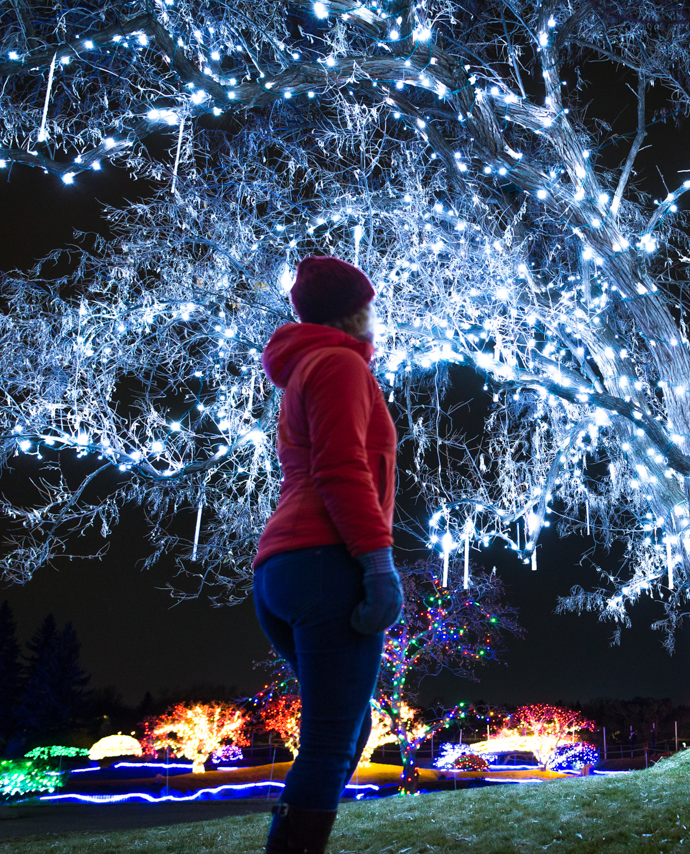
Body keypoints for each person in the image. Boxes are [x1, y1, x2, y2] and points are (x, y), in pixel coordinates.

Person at [253, 256, 403, 854]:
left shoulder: (306, 368)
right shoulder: (338, 364)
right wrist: (378, 565)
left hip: (284, 569)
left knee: (347, 727)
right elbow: (341, 471)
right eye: (371, 305)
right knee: (329, 738)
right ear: (355, 311)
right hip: (325, 562)